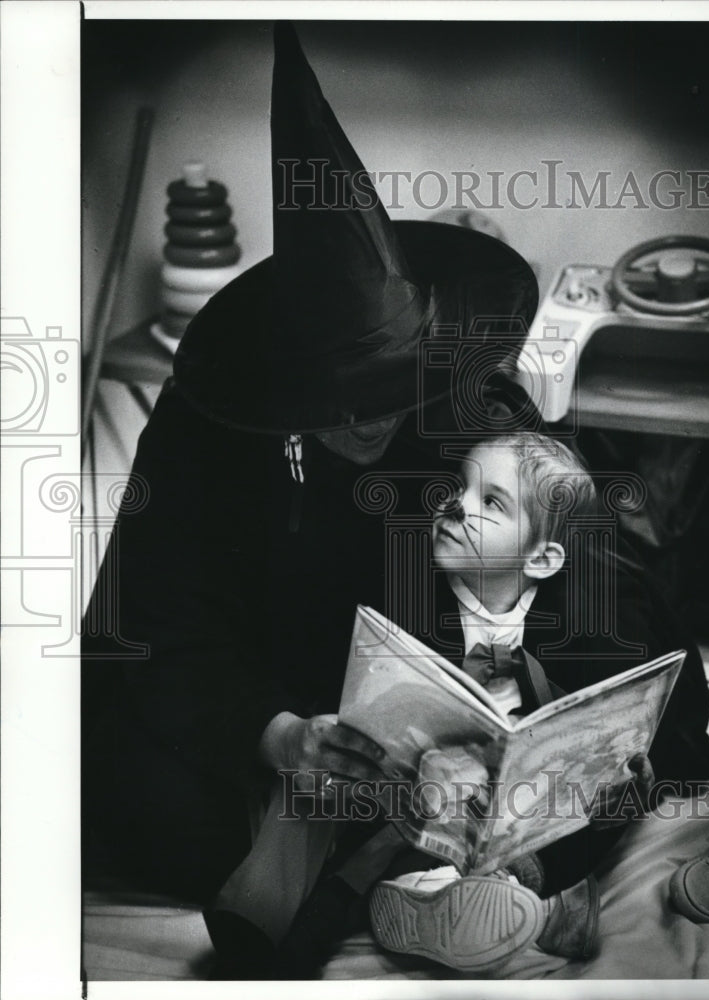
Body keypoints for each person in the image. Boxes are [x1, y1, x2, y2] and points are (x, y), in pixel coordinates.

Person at [81, 22, 540, 978]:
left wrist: (502, 691)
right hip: (271, 710)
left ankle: (406, 856)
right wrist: (280, 736)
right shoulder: (209, 418)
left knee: (610, 747)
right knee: (124, 794)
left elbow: (562, 540)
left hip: (433, 700)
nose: (371, 428)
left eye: (393, 400)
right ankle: (370, 862)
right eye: (342, 411)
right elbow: (155, 623)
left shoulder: (473, 391)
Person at [366, 431, 709, 972]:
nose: (456, 504)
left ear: (543, 558)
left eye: (492, 502)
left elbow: (625, 724)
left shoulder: (590, 621)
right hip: (447, 777)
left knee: (600, 798)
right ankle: (438, 900)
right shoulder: (410, 596)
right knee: (405, 817)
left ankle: (533, 888)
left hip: (540, 793)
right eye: (460, 486)